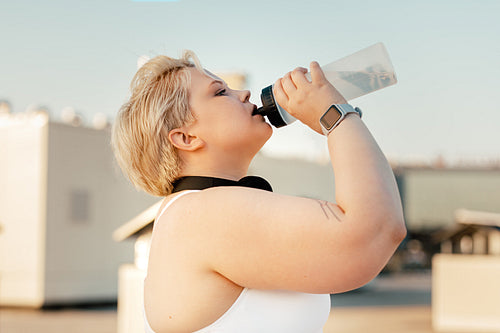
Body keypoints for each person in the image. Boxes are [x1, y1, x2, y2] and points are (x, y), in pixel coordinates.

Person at [111, 51, 406, 333]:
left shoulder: (195, 211)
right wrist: (334, 115)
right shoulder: (200, 214)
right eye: (220, 92)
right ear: (186, 137)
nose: (245, 94)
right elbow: (375, 231)